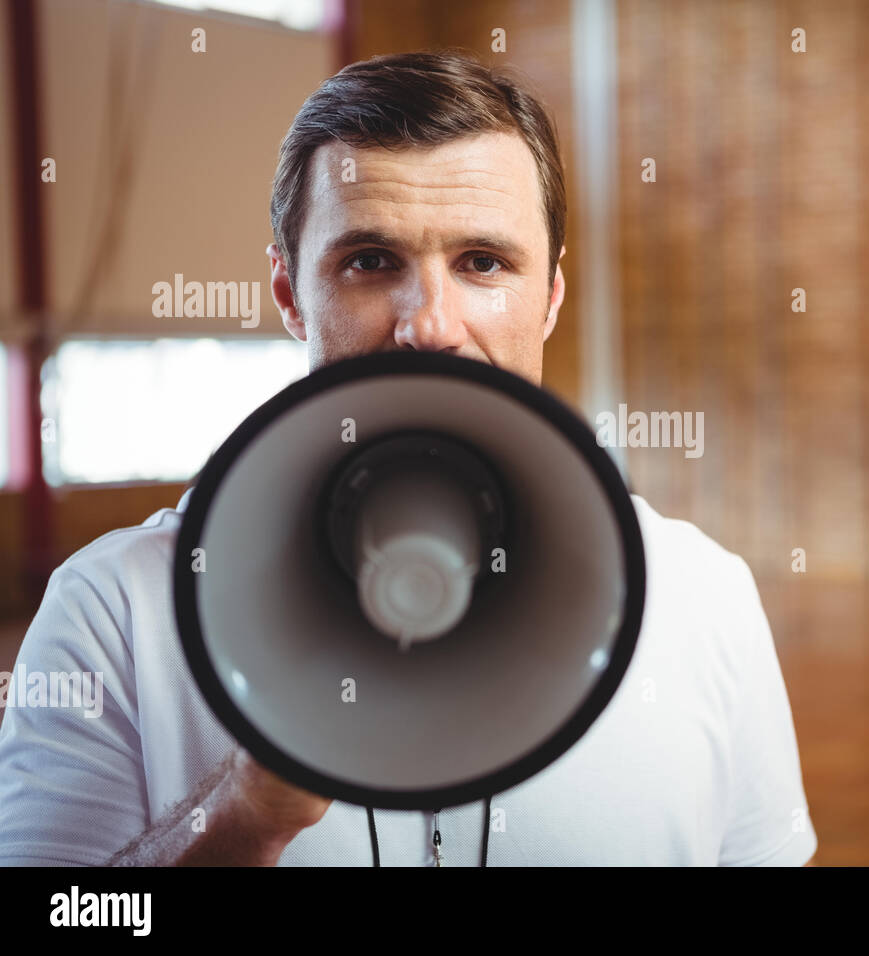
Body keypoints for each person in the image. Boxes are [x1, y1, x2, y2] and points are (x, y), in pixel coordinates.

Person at [0, 50, 817, 866]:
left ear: (552, 297)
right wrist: (246, 812)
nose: (428, 325)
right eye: (370, 261)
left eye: (483, 263)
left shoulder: (705, 597)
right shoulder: (112, 613)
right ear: (290, 296)